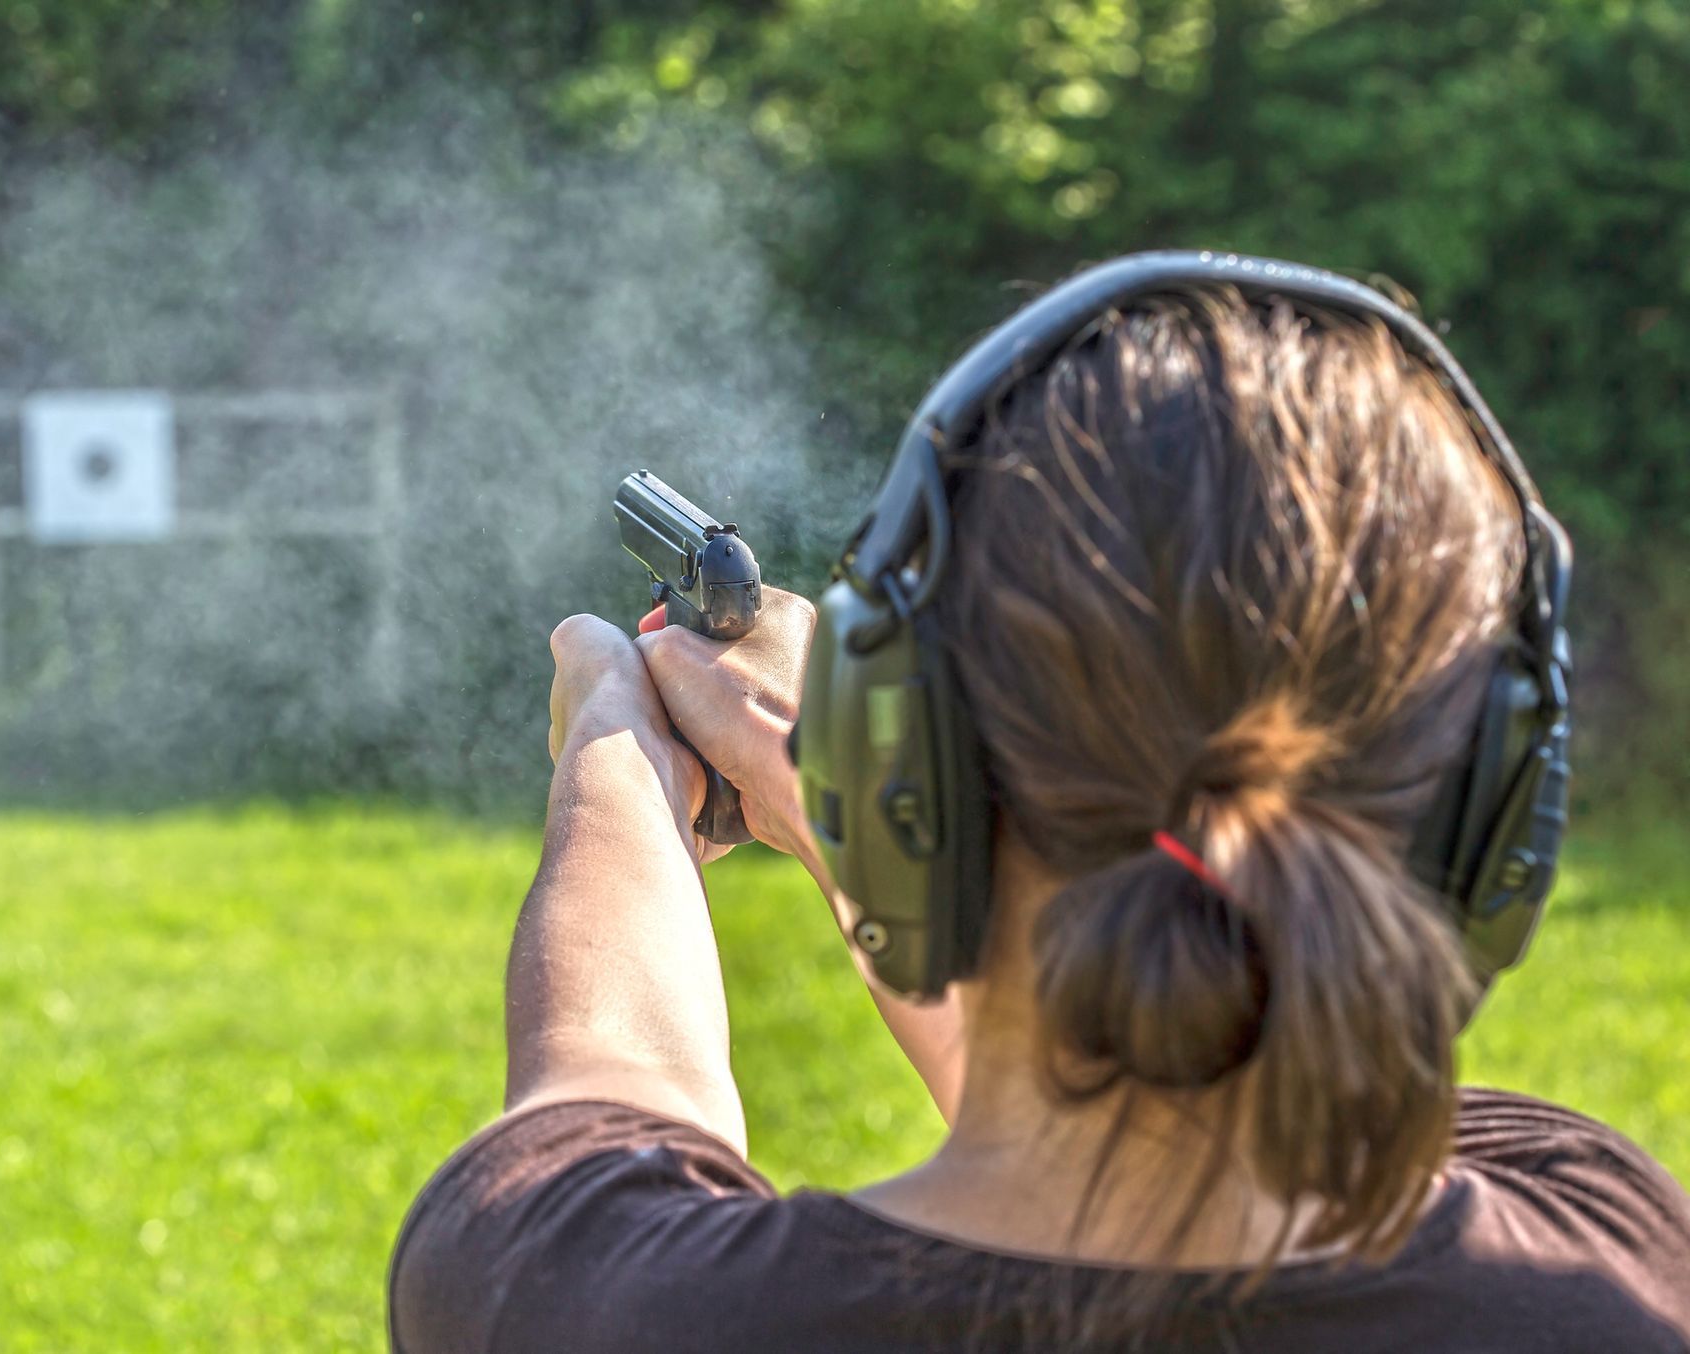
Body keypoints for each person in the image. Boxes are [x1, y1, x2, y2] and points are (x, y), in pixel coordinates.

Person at [387, 270, 1690, 1351]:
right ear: (1492, 813)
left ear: (928, 790)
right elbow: (1168, 1097)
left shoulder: (606, 1305)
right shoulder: (1607, 1254)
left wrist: (617, 740)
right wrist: (860, 769)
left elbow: (609, 1090)